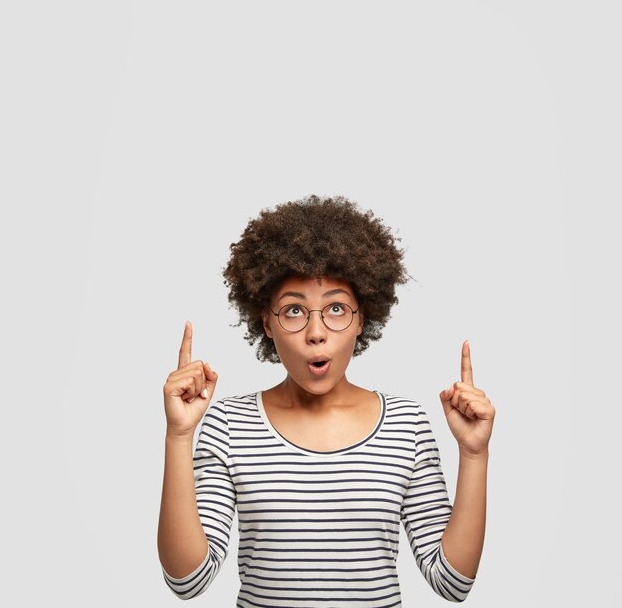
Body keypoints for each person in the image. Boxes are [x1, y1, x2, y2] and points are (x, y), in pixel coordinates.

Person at [157, 194, 495, 606]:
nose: (316, 332)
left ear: (362, 319)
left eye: (336, 308)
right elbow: (187, 582)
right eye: (294, 311)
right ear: (266, 322)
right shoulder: (230, 424)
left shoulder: (406, 424)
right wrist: (179, 434)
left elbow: (453, 582)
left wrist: (474, 456)